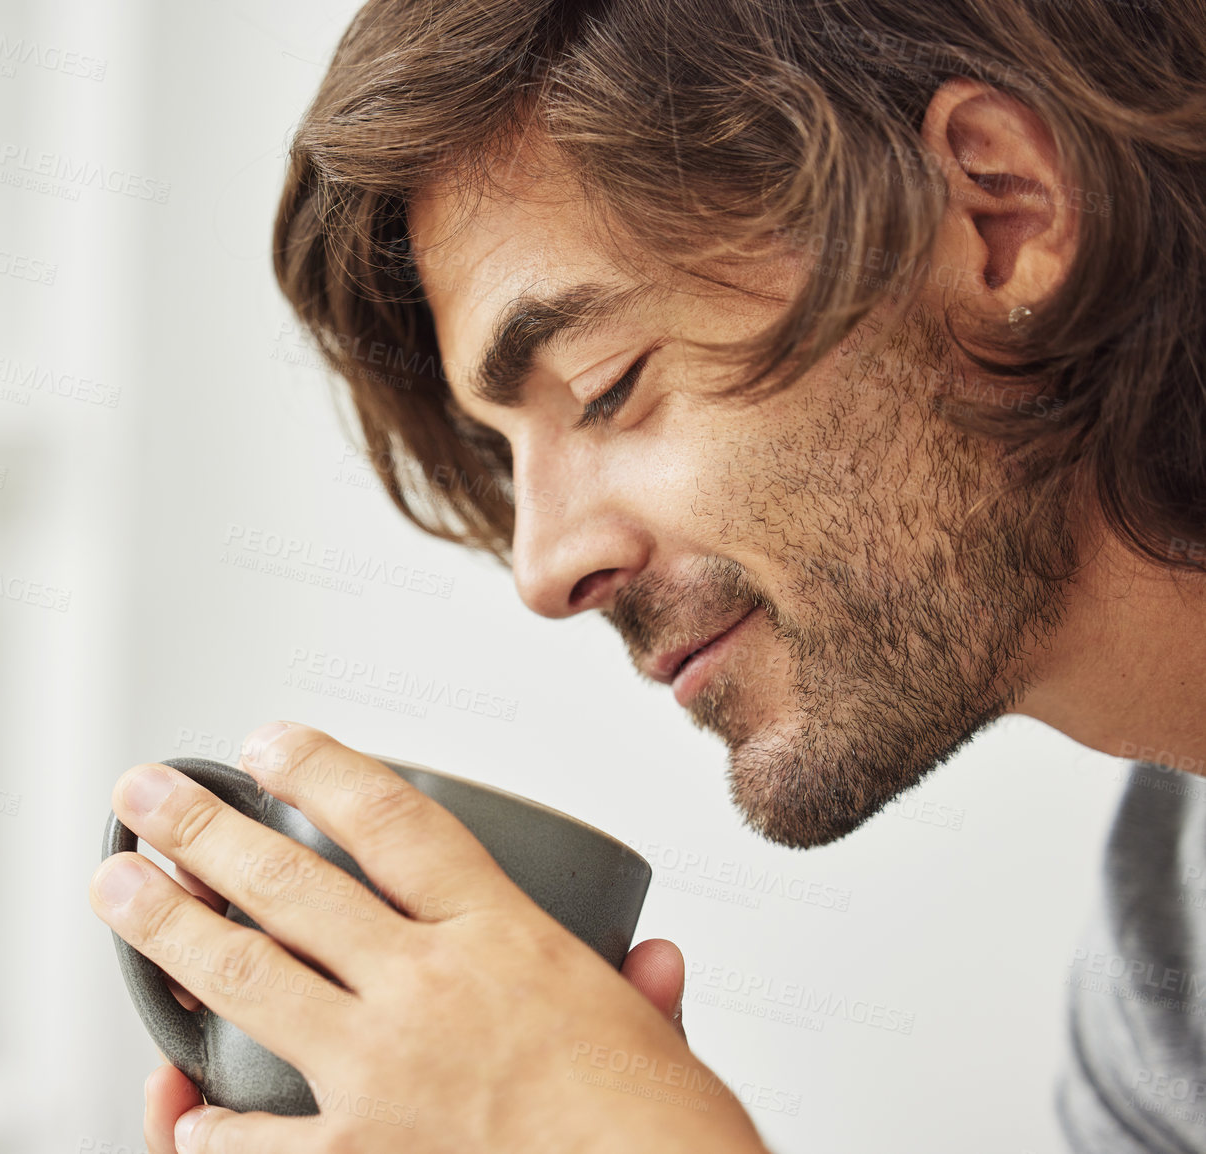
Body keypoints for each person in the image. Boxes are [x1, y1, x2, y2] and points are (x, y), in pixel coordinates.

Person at [89, 1, 1206, 1149]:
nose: (542, 566)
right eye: (507, 454)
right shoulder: (1167, 932)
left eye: (608, 383)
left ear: (1001, 209)